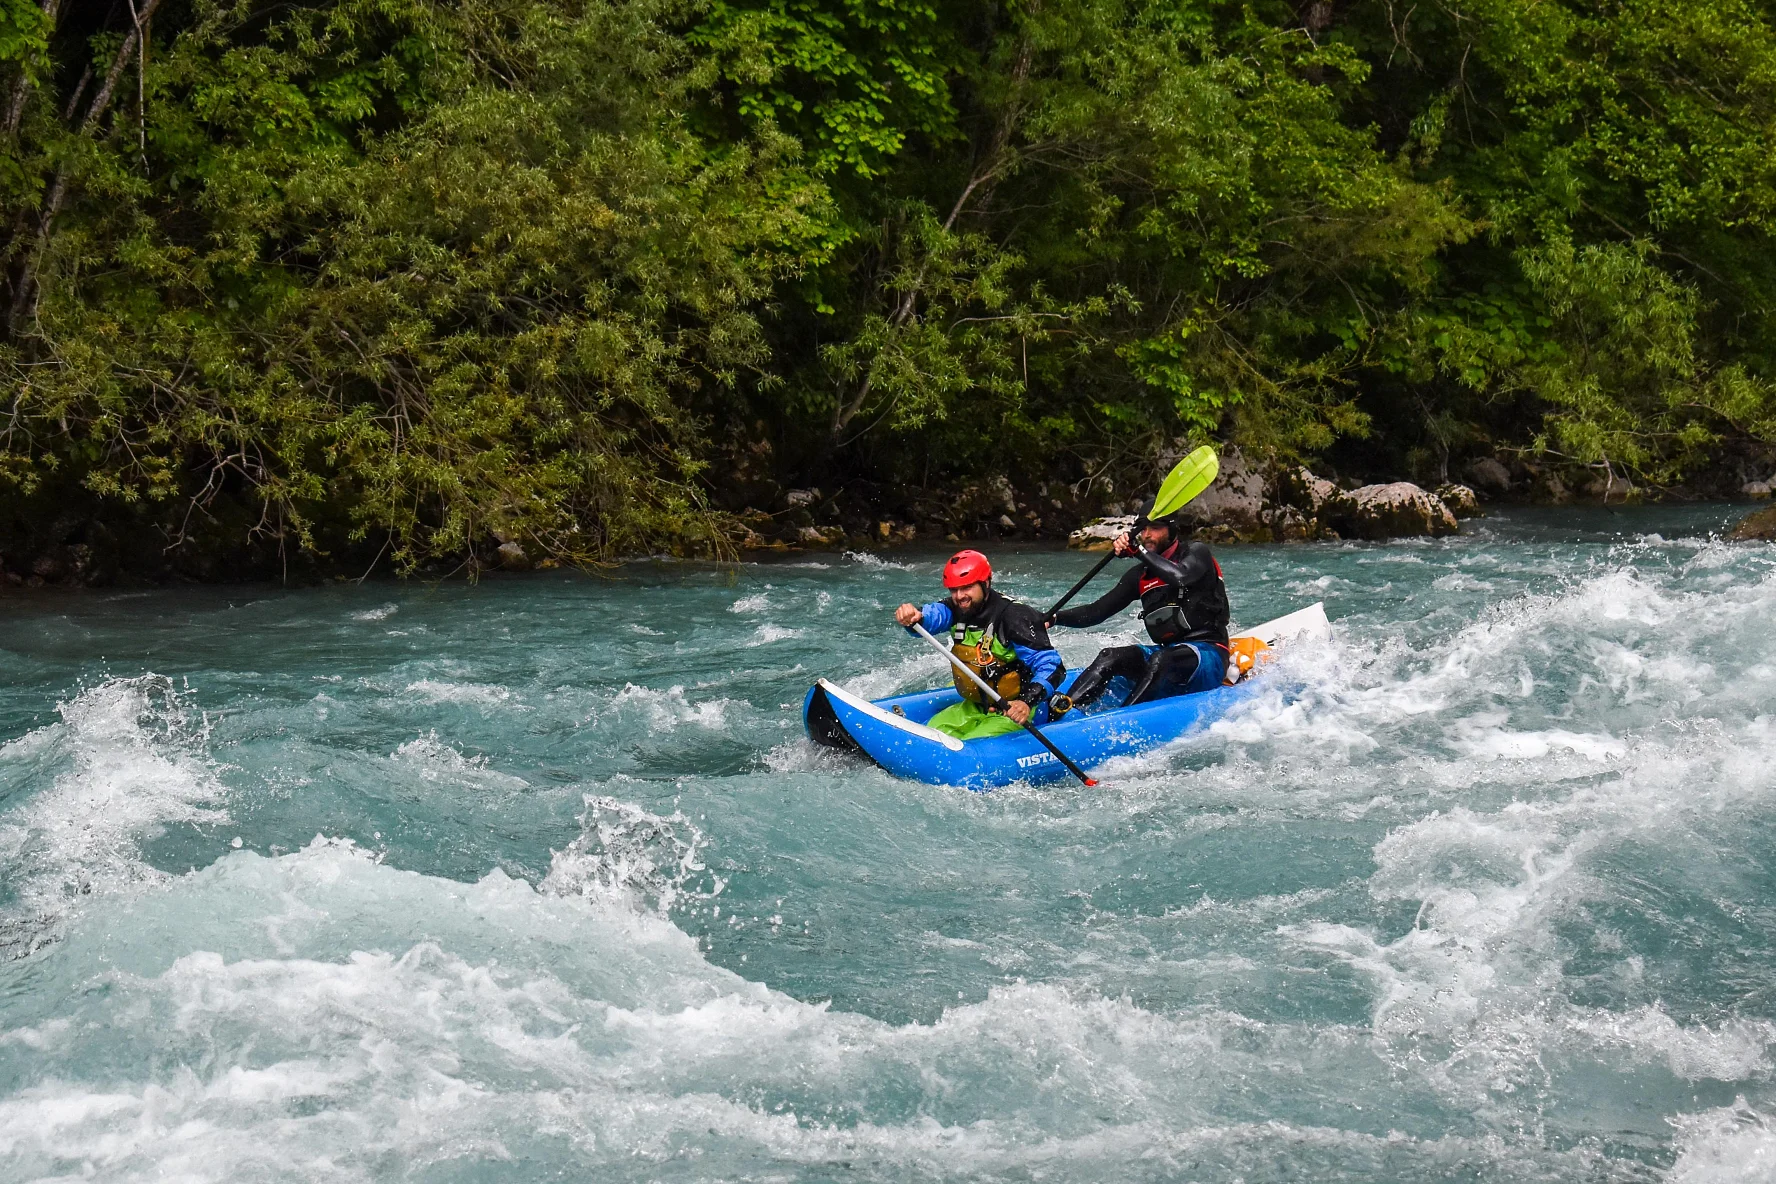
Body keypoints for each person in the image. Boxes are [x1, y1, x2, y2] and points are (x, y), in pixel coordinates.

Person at [1047, 516, 1230, 712]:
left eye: (1156, 528)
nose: (1147, 535)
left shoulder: (1196, 552)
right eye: (1143, 529)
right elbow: (1097, 611)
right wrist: (1055, 618)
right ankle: (1064, 711)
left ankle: (1121, 719)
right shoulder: (1140, 575)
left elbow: (1181, 576)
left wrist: (1138, 550)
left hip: (1209, 653)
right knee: (1110, 656)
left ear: (1173, 530)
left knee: (1161, 660)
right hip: (1168, 654)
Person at [893, 549, 1066, 741]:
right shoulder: (955, 608)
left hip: (1014, 710)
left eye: (966, 587)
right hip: (975, 705)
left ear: (985, 583)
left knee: (971, 742)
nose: (959, 596)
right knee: (928, 733)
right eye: (954, 589)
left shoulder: (1015, 616)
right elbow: (932, 616)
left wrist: (1026, 702)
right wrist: (915, 616)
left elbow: (1053, 667)